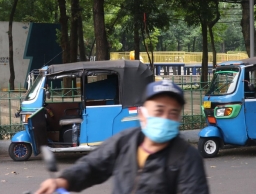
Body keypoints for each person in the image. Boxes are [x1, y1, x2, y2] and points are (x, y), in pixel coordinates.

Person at [35, 80, 209, 194]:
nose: (165, 118)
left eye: (173, 113)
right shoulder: (125, 141)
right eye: (159, 111)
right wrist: (63, 181)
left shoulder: (187, 158)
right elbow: (92, 166)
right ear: (142, 114)